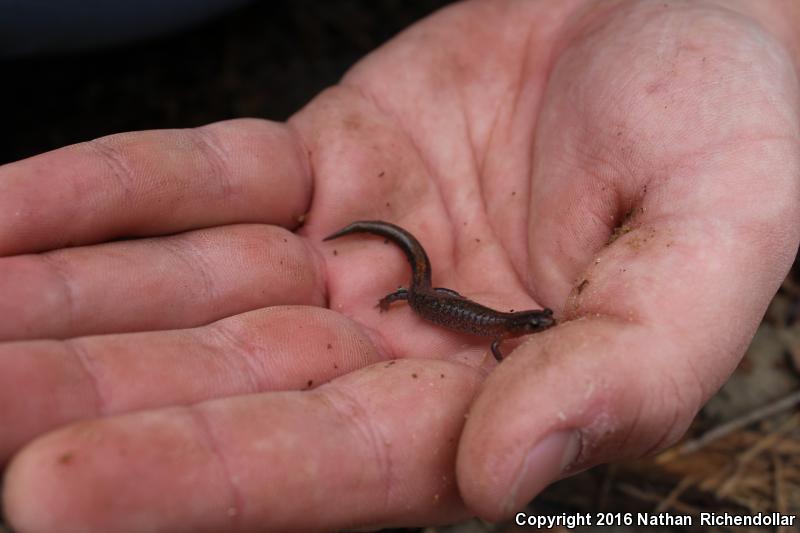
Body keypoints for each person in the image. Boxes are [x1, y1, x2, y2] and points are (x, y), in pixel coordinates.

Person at [2, 0, 799, 530]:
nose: (537, 324)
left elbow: (494, 335)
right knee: (419, 286)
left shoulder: (504, 333)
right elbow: (476, 324)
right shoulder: (481, 322)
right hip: (423, 295)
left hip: (434, 294)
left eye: (535, 324)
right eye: (536, 322)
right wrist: (404, 299)